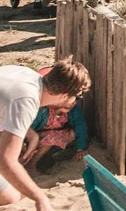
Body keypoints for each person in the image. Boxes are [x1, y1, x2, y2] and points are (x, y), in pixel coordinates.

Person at [0, 58, 91, 211]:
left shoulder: (27, 75)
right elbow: (6, 162)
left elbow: (9, 107)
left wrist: (33, 136)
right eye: (77, 97)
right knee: (11, 196)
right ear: (64, 95)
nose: (76, 102)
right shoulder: (27, 101)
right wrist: (39, 198)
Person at [21, 89, 87, 175]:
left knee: (72, 134)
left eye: (76, 99)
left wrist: (80, 148)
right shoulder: (43, 110)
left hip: (55, 139)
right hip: (36, 140)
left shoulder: (72, 110)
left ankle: (47, 157)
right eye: (68, 98)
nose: (73, 103)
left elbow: (80, 125)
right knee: (51, 137)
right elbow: (27, 130)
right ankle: (31, 164)